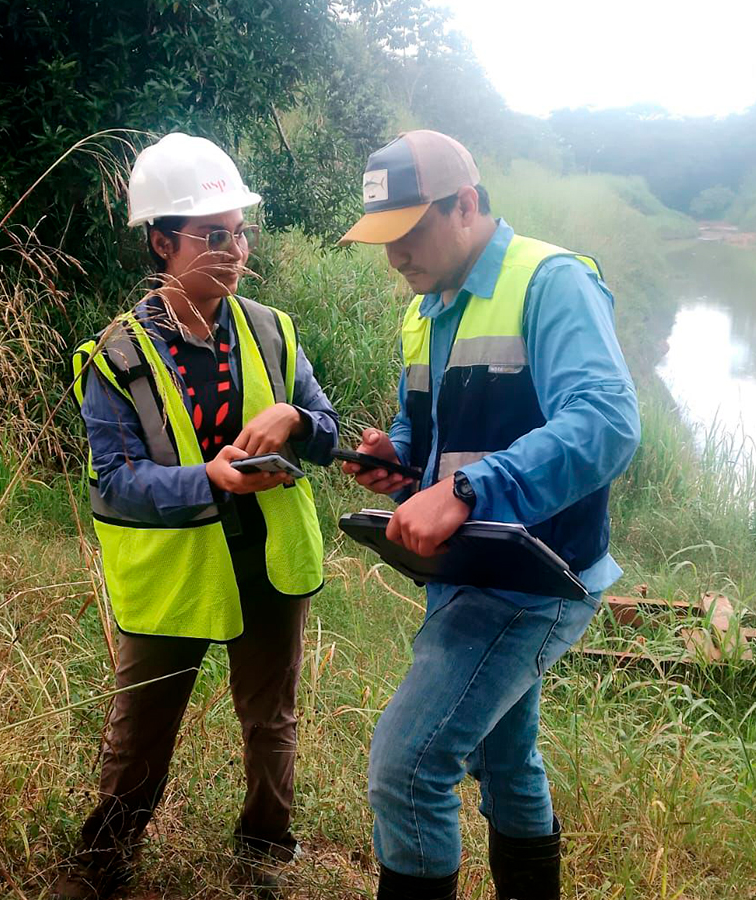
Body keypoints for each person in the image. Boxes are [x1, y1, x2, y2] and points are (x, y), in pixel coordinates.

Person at [337, 130, 640, 900]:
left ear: (464, 205)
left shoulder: (552, 282)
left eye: (409, 232)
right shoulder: (426, 307)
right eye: (384, 239)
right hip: (467, 568)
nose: (394, 255)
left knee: (406, 770)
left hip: (532, 577)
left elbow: (606, 421)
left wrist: (468, 491)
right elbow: (429, 433)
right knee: (506, 761)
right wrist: (398, 458)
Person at [58, 132, 339, 899]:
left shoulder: (273, 331)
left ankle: (265, 856)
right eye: (214, 236)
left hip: (270, 559)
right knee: (142, 727)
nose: (235, 249)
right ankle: (105, 863)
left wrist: (294, 420)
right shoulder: (117, 356)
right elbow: (114, 483)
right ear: (161, 242)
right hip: (178, 570)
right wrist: (207, 482)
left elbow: (329, 429)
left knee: (270, 720)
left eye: (240, 232)